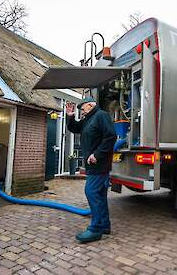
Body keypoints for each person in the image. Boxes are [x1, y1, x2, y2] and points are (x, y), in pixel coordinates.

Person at [66, 97, 117, 243]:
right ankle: (105, 226)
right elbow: (74, 128)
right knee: (99, 195)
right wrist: (70, 116)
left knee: (91, 192)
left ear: (90, 105)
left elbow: (111, 136)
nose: (81, 112)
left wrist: (97, 154)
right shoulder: (88, 119)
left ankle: (96, 229)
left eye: (82, 109)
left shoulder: (101, 116)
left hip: (99, 164)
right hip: (93, 165)